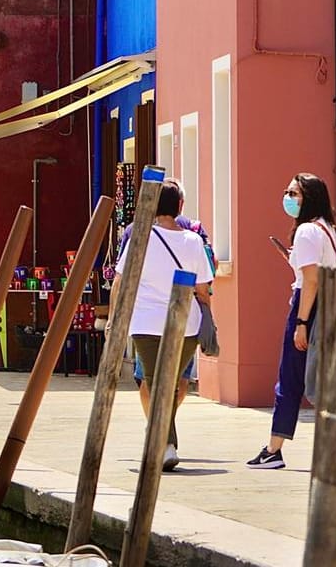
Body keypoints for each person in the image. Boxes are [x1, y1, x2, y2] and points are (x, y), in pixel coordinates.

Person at [248, 173, 336, 470]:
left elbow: (312, 280)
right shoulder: (334, 230)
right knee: (324, 378)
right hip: (332, 307)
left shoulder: (306, 230)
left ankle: (273, 450)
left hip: (310, 306)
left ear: (309, 198)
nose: (288, 198)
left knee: (290, 379)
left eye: (293, 193)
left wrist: (302, 321)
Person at [118, 180, 212, 471]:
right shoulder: (194, 241)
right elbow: (203, 287)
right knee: (167, 383)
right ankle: (164, 443)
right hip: (185, 323)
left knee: (157, 382)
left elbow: (122, 280)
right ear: (180, 206)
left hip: (145, 322)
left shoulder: (139, 238)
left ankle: (161, 441)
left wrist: (115, 320)